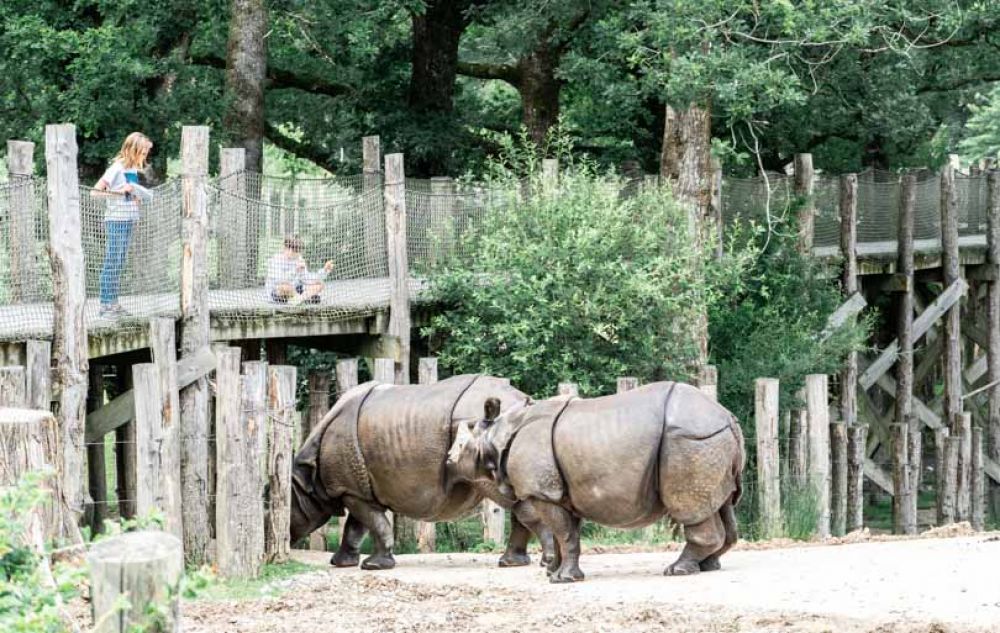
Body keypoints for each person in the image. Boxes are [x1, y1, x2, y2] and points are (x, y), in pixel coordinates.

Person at [92, 132, 154, 318]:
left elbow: (127, 195)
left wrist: (135, 197)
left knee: (119, 263)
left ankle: (114, 304)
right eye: (143, 152)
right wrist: (120, 192)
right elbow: (95, 193)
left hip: (128, 220)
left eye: (146, 153)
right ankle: (105, 305)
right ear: (133, 150)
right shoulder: (117, 168)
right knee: (112, 262)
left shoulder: (133, 169)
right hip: (115, 220)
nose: (145, 156)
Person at [266, 236, 334, 305]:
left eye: (298, 250)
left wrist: (325, 270)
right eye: (294, 250)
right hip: (278, 292)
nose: (297, 253)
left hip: (295, 291)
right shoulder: (276, 259)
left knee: (319, 285)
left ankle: (298, 300)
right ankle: (303, 299)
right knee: (285, 287)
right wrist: (295, 270)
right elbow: (279, 280)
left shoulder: (299, 259)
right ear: (285, 248)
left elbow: (307, 279)